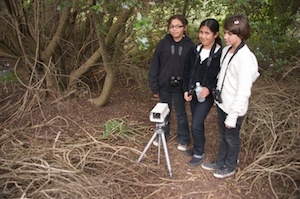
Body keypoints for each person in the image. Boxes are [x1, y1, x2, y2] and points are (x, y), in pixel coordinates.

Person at [201, 14, 260, 178]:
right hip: (222, 103)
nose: (225, 37)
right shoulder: (227, 50)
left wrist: (233, 115)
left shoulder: (246, 58)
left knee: (231, 138)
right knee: (222, 136)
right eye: (225, 32)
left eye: (230, 34)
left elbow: (244, 90)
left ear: (240, 34)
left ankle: (230, 166)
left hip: (234, 108)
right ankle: (220, 161)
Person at [148, 14, 194, 151]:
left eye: (178, 26)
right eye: (172, 27)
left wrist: (189, 87)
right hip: (164, 86)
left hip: (181, 87)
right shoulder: (163, 44)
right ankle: (162, 135)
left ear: (184, 28)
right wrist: (154, 86)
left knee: (181, 113)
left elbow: (192, 69)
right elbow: (155, 65)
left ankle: (184, 139)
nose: (175, 30)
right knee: (163, 112)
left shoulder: (190, 46)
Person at [182, 18, 222, 167]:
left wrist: (209, 88)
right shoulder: (195, 50)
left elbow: (221, 76)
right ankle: (198, 146)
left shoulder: (220, 53)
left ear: (215, 34)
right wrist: (186, 89)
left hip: (207, 95)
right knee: (196, 122)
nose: (203, 36)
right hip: (193, 92)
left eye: (207, 33)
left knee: (196, 123)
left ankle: (199, 153)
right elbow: (187, 71)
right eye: (201, 32)